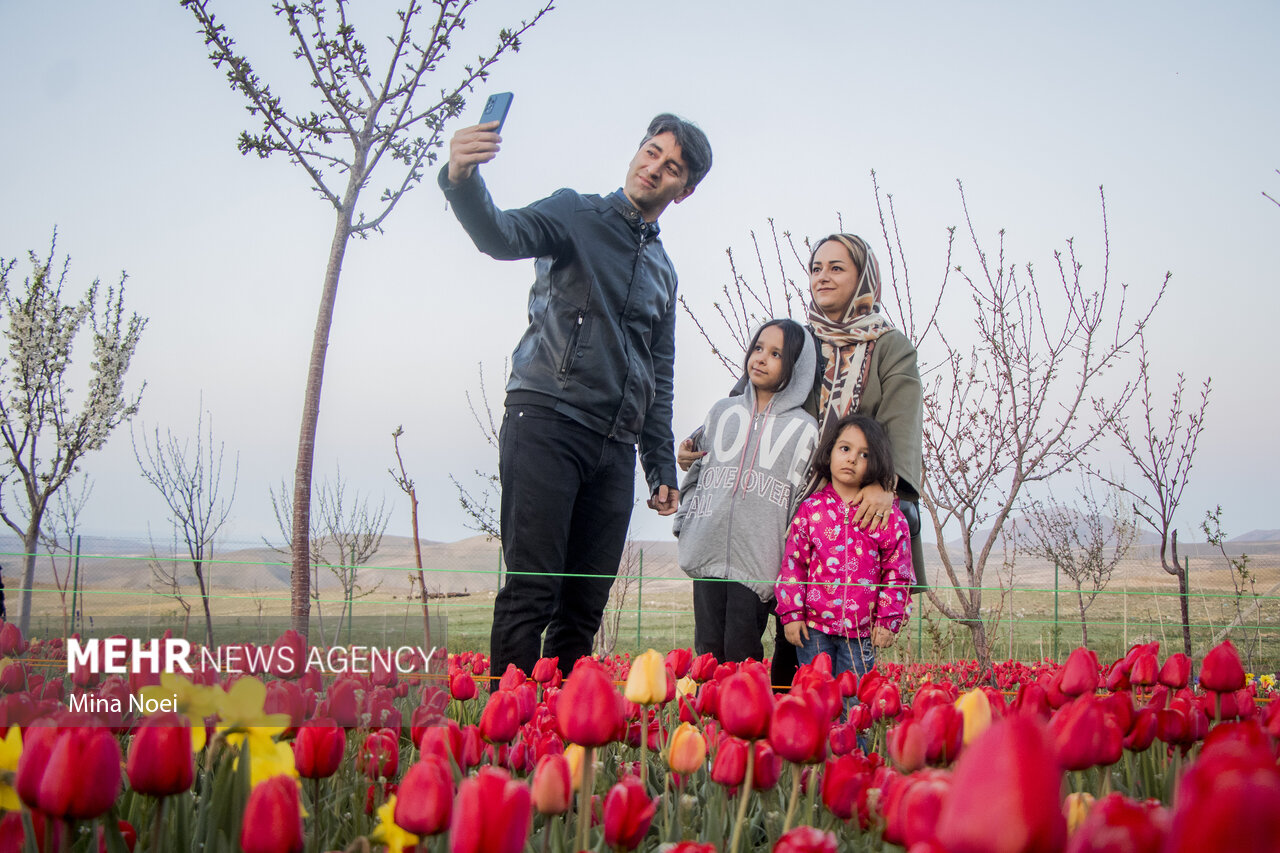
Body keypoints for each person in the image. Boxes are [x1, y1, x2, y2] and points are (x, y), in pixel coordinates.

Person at [440, 112, 713, 679]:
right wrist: (462, 180)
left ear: (683, 191)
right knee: (533, 590)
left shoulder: (664, 272)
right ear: (637, 151)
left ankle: (559, 736)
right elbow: (500, 234)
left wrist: (659, 462)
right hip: (547, 418)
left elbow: (657, 373)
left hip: (613, 449)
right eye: (651, 150)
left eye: (671, 167)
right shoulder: (575, 213)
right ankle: (505, 737)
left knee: (583, 607)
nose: (653, 167)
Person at [679, 233, 924, 688]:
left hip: (844, 510)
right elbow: (746, 398)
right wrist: (698, 441)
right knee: (751, 625)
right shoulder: (799, 341)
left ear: (863, 276)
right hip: (775, 506)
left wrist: (884, 484)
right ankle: (751, 726)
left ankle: (807, 734)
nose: (823, 277)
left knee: (812, 649)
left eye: (837, 267)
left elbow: (901, 422)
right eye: (816, 268)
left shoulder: (890, 347)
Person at [672, 319, 819, 663]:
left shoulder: (804, 430)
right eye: (758, 348)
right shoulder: (722, 412)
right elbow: (695, 473)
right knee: (707, 653)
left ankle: (745, 716)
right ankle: (710, 717)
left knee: (743, 653)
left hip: (757, 561)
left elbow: (801, 501)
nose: (762, 358)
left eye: (776, 353)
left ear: (796, 366)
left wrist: (789, 560)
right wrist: (684, 524)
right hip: (707, 551)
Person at [774, 413, 914, 687]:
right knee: (816, 696)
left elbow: (899, 572)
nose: (852, 458)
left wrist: (888, 619)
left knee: (854, 702)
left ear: (876, 462)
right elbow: (793, 564)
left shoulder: (887, 517)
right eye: (845, 449)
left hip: (862, 634)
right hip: (813, 630)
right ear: (830, 452)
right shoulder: (811, 510)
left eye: (864, 455)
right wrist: (791, 614)